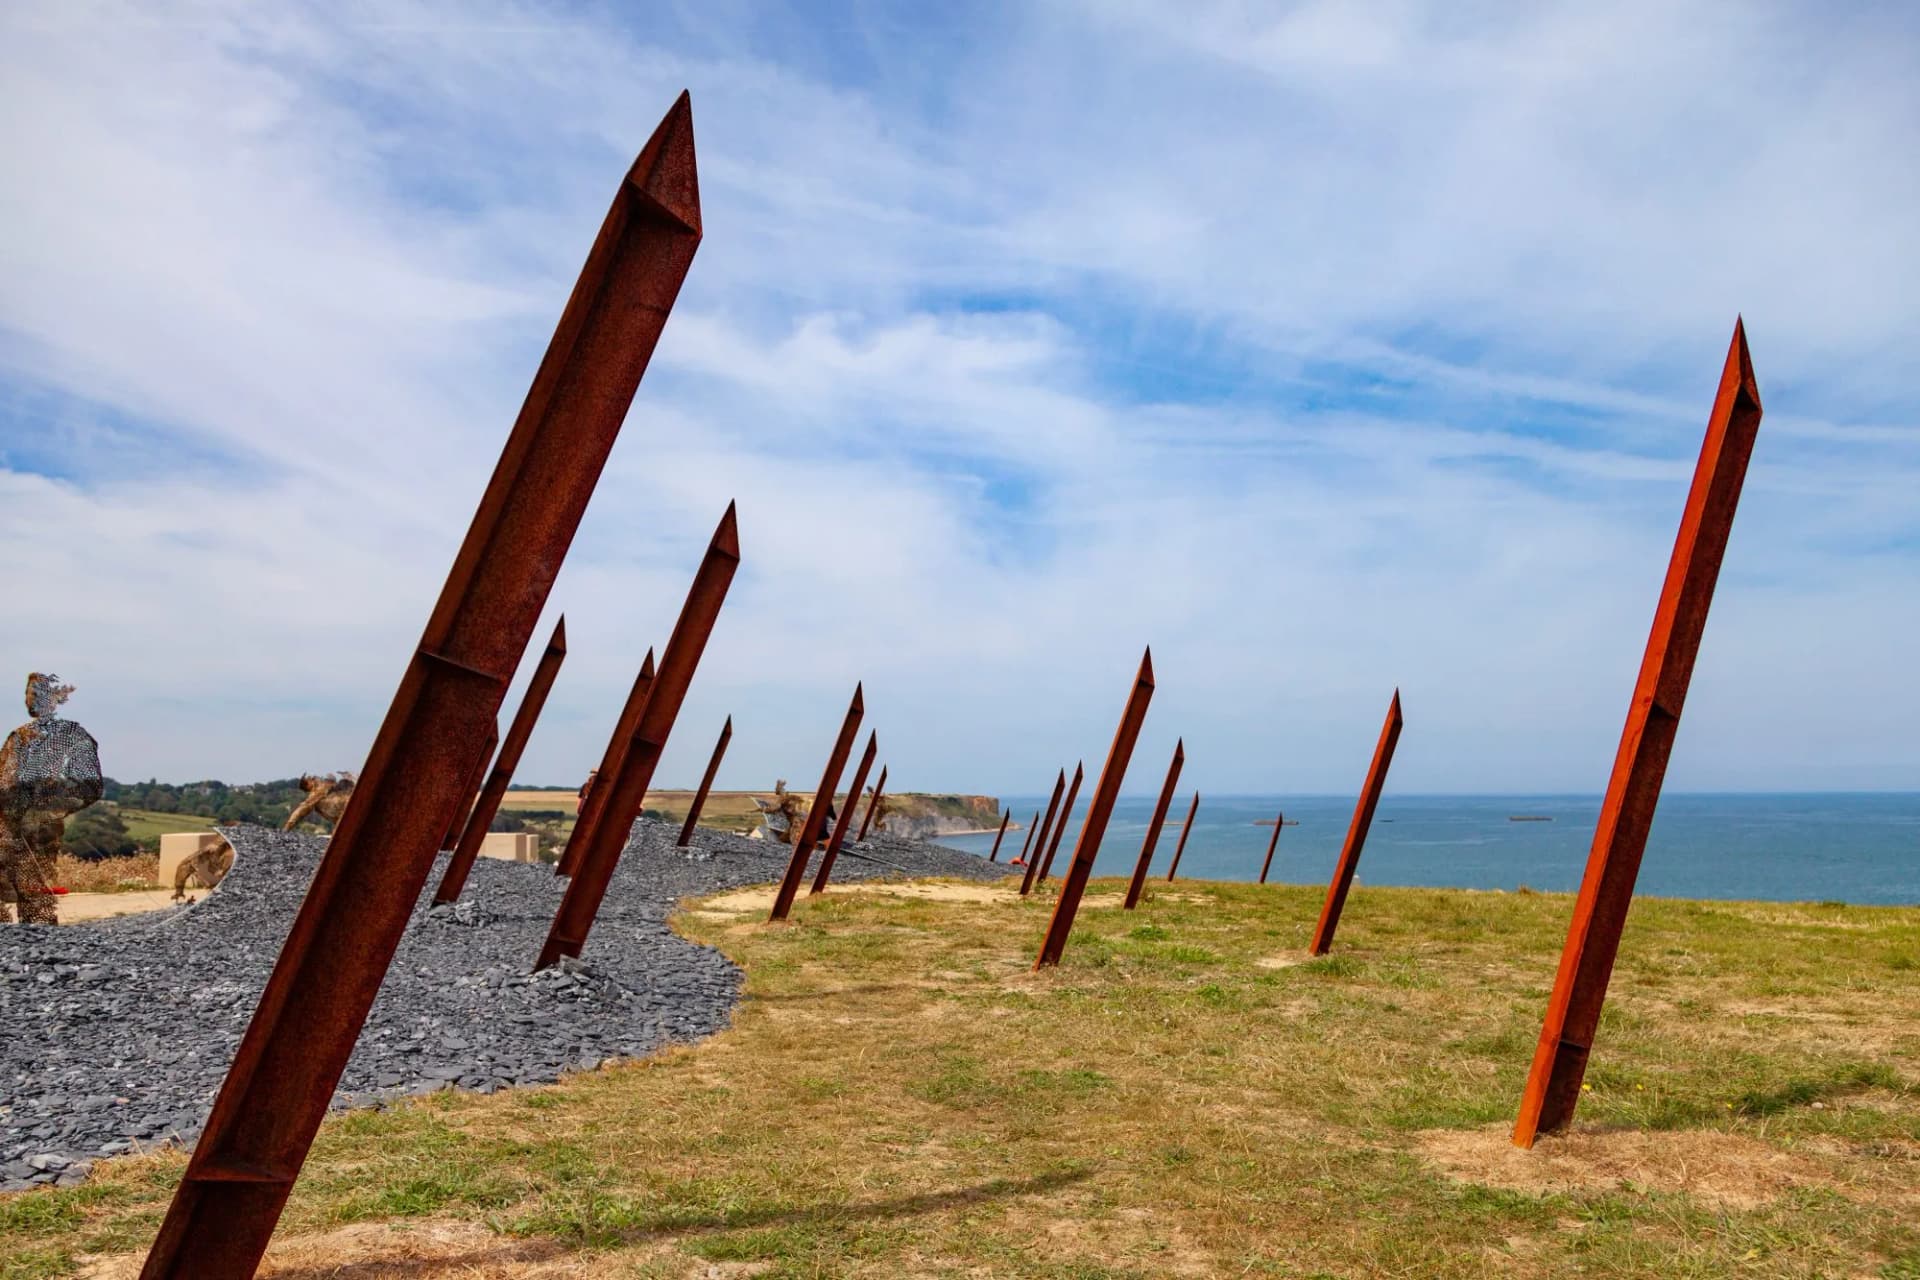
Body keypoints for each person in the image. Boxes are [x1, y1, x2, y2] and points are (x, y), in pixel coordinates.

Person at [0, 673, 103, 925]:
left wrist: (46, 809)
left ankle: (40, 946)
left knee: (34, 896)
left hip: (37, 830)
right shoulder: (19, 736)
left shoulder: (72, 734)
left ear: (55, 698)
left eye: (36, 693)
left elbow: (89, 785)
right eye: (28, 693)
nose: (30, 699)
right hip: (5, 825)